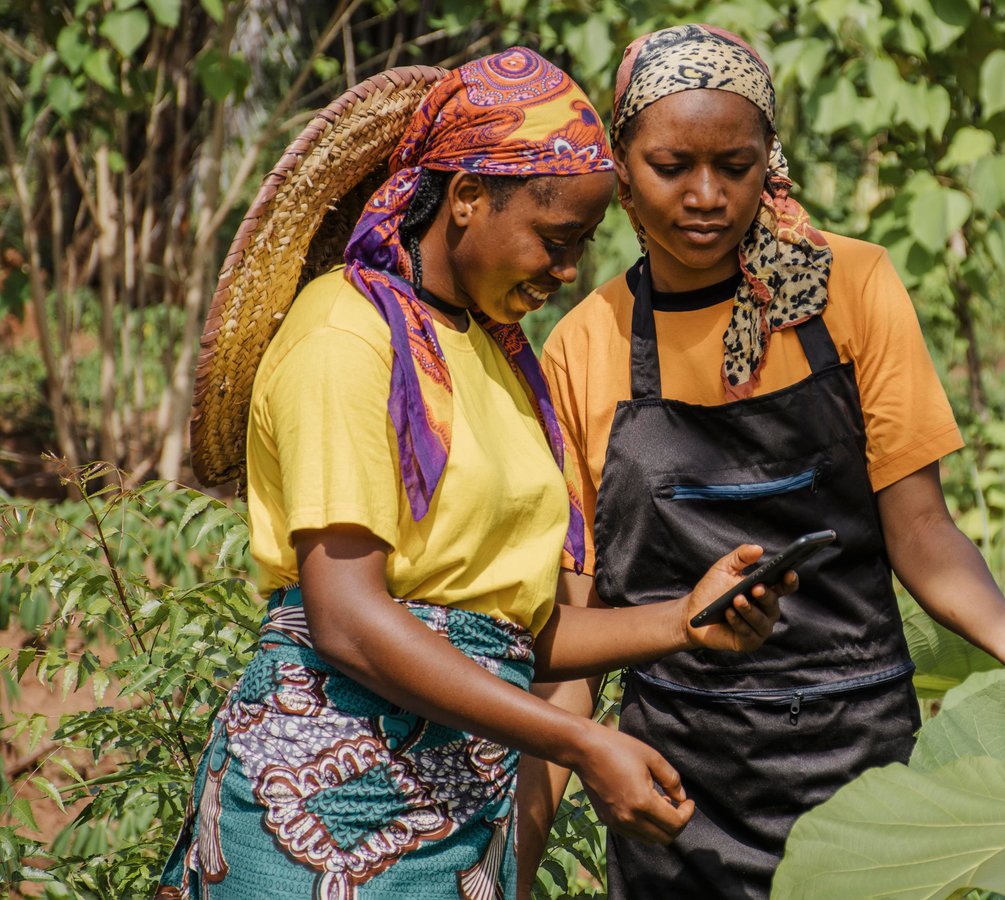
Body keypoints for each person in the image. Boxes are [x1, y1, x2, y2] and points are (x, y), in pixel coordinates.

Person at [157, 47, 791, 899]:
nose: (568, 273)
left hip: (460, 812)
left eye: (582, 247)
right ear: (464, 200)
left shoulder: (496, 359)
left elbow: (505, 631)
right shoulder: (347, 336)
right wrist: (580, 742)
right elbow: (348, 620)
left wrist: (684, 620)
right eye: (555, 240)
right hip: (321, 806)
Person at [537, 24, 1005, 898]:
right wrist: (525, 843)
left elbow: (921, 530)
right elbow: (584, 620)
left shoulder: (851, 292)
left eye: (737, 164)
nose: (707, 196)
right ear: (621, 166)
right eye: (671, 166)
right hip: (675, 788)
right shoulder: (583, 346)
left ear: (772, 159)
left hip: (862, 773)